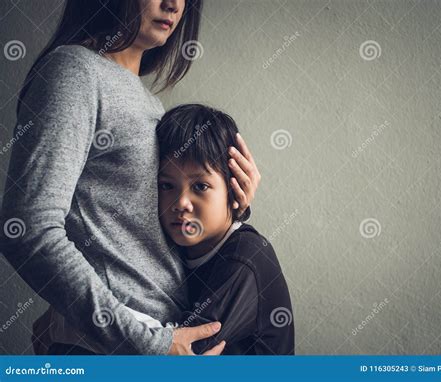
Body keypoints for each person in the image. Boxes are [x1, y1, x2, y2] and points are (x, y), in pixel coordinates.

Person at [0, 0, 261, 355]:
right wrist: (145, 345)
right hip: (125, 350)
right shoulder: (74, 71)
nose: (173, 5)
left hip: (157, 340)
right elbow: (27, 227)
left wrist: (229, 210)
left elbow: (123, 237)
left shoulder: (151, 104)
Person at [154, 104, 294, 354]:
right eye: (166, 186)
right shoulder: (178, 249)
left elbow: (183, 348)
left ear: (234, 187)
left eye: (200, 187)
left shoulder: (245, 257)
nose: (181, 203)